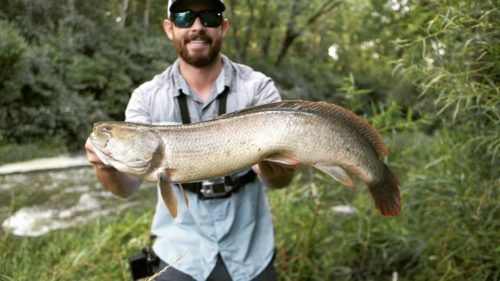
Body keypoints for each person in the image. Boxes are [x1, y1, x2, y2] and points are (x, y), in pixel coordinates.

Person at [85, 0, 296, 280]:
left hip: (250, 252)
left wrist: (272, 166)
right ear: (169, 28)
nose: (197, 26)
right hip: (180, 253)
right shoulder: (146, 98)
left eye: (209, 16)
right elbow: (126, 188)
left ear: (223, 27)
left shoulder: (258, 88)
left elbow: (280, 182)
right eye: (184, 17)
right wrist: (104, 166)